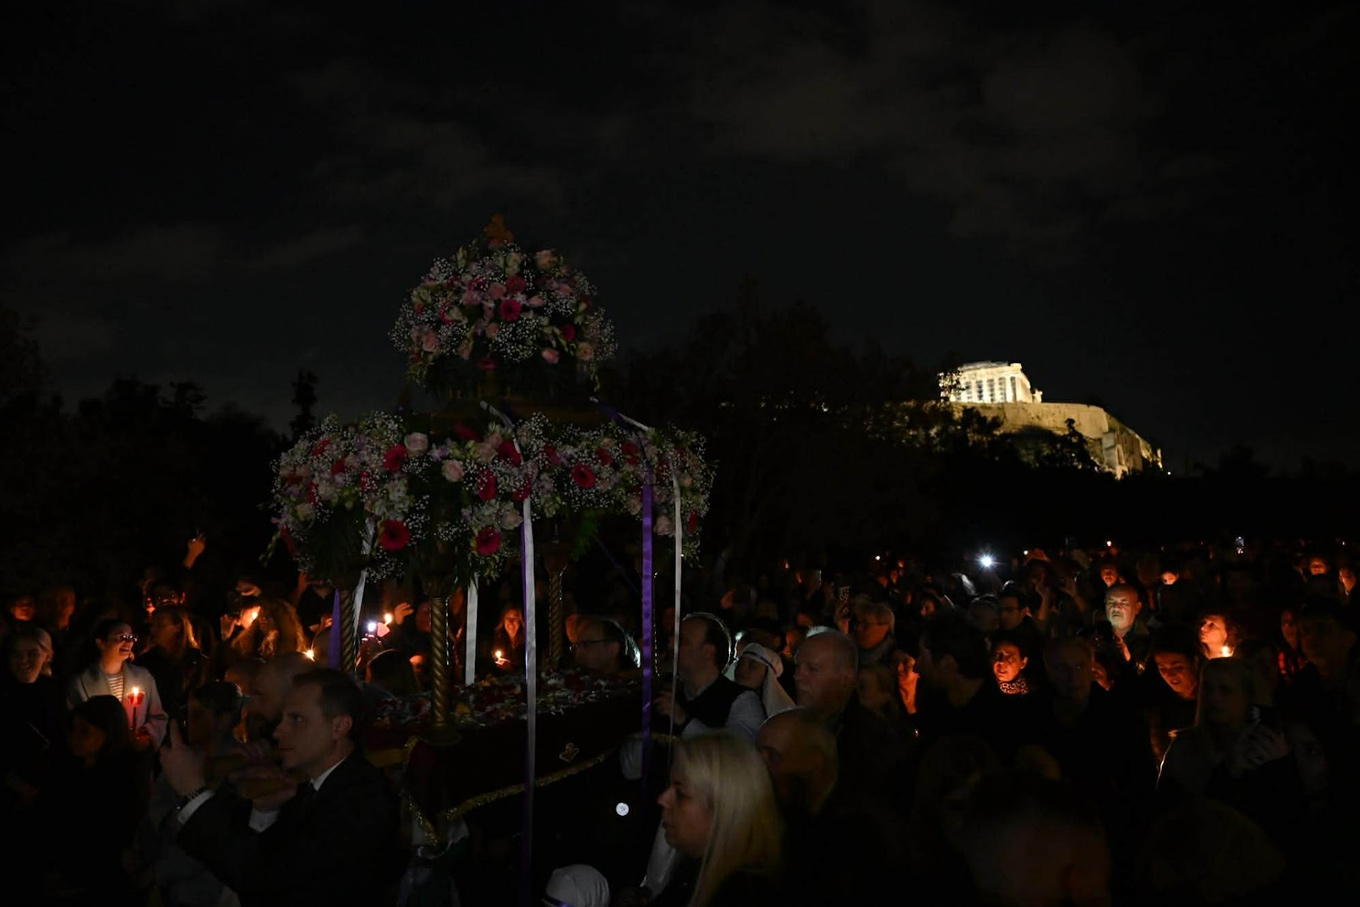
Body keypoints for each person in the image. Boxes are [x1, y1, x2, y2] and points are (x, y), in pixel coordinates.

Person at [160, 667, 406, 907]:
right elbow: (260, 860)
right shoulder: (310, 785)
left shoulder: (361, 802)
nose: (278, 731)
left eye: (296, 719)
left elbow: (266, 880)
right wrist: (264, 812)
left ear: (339, 727)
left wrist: (193, 791)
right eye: (282, 718)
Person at [654, 731, 783, 907]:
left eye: (681, 793)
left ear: (726, 807)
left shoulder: (746, 896)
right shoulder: (695, 869)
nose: (662, 800)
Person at [655, 613, 764, 742]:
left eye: (681, 641)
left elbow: (738, 753)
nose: (671, 645)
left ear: (707, 652)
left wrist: (684, 721)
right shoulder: (668, 696)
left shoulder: (742, 701)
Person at [66, 617, 168, 749]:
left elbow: (158, 717)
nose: (128, 643)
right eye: (121, 637)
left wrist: (145, 739)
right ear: (101, 643)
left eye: (131, 637)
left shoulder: (143, 677)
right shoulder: (80, 683)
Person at [732, 643, 795, 718]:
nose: (742, 669)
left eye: (753, 665)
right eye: (740, 663)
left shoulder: (784, 715)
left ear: (768, 674)